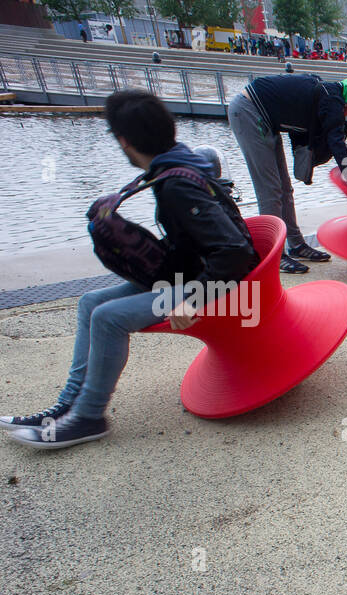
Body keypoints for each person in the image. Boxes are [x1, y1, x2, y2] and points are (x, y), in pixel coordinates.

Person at [2, 90, 258, 449]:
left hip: (230, 292)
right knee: (91, 302)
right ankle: (68, 406)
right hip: (192, 276)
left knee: (109, 318)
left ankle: (89, 417)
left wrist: (193, 300)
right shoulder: (175, 165)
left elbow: (234, 252)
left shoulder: (177, 185)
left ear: (123, 141)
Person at [228, 73, 347, 273]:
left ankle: (296, 244)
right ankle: (273, 254)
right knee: (270, 190)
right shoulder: (332, 100)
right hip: (249, 112)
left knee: (285, 188)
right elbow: (337, 143)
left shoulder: (327, 96)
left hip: (268, 120)